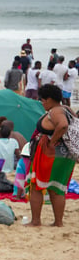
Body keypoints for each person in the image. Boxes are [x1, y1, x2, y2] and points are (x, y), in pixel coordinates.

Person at [26, 84, 76, 227]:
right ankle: (58, 222)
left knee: (36, 185)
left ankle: (35, 221)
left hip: (51, 153)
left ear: (48, 99)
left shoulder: (55, 111)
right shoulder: (67, 109)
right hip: (66, 154)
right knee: (57, 188)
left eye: (42, 100)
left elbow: (63, 125)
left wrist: (52, 142)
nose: (41, 103)